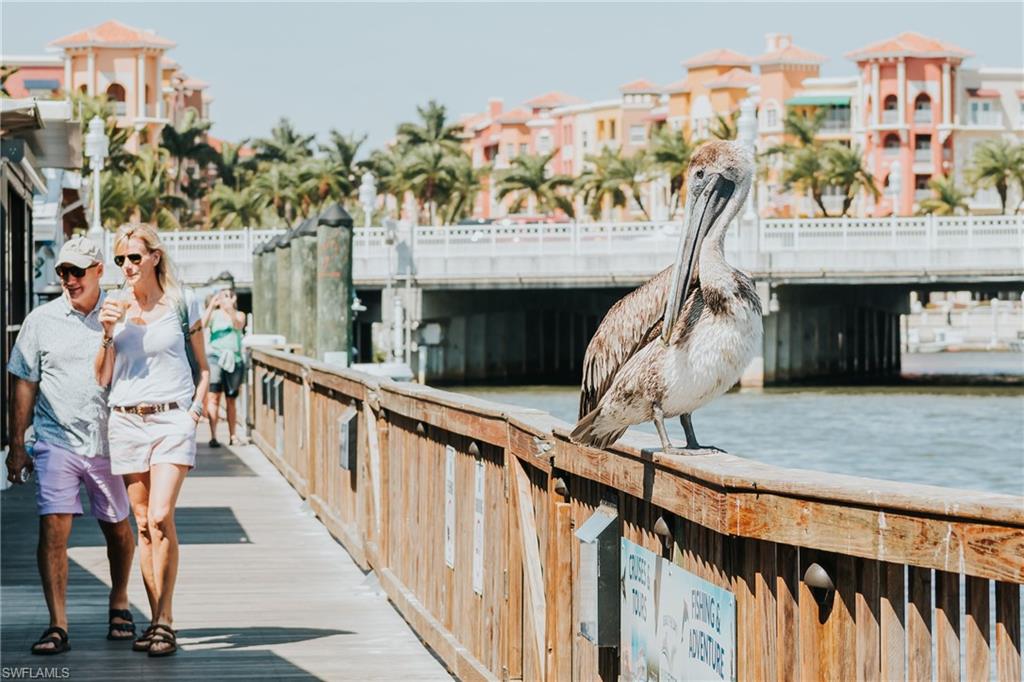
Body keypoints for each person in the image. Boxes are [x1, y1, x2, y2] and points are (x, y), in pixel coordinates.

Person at [5, 236, 136, 655]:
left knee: (117, 526)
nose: (69, 279)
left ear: (100, 270)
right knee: (53, 529)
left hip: (109, 441)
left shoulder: (121, 316)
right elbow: (23, 382)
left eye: (77, 271)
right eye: (63, 272)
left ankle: (119, 601)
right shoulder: (40, 320)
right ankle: (57, 624)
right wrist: (17, 444)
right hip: (55, 439)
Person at [95, 223, 210, 657]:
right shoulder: (114, 307)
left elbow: (203, 367)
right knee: (142, 526)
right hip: (125, 421)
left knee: (161, 516)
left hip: (171, 421)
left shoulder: (183, 302)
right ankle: (157, 620)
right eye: (121, 259)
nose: (127, 266)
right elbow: (103, 377)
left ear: (155, 258)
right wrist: (107, 333)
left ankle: (165, 618)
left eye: (135, 257)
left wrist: (195, 412)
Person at [202, 288, 246, 447]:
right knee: (213, 397)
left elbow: (238, 324)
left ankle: (233, 435)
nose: (225, 299)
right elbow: (201, 326)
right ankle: (213, 436)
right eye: (223, 296)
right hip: (215, 358)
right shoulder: (214, 315)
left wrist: (230, 309)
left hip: (234, 359)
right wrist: (211, 306)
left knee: (231, 399)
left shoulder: (240, 314)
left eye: (228, 296)